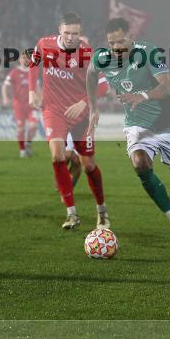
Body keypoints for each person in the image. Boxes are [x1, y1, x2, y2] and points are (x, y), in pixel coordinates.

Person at [86, 17, 170, 247]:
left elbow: (169, 87)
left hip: (167, 123)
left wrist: (143, 95)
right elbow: (90, 74)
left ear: (130, 37)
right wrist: (93, 107)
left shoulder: (147, 52)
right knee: (140, 164)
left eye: (120, 41)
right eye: (111, 43)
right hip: (137, 123)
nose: (116, 47)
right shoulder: (102, 58)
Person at [29, 12, 109, 230]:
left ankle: (102, 210)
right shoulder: (44, 44)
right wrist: (31, 90)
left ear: (80, 33)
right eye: (67, 33)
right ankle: (71, 213)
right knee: (57, 156)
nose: (71, 37)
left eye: (75, 33)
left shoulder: (87, 54)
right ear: (60, 31)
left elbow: (103, 86)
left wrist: (84, 102)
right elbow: (33, 62)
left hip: (81, 115)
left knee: (88, 166)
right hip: (53, 109)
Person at [2, 49, 39, 158]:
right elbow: (5, 86)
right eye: (23, 58)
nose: (25, 60)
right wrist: (5, 98)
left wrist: (41, 99)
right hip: (18, 105)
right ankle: (22, 150)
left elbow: (38, 87)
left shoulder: (33, 71)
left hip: (31, 104)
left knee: (33, 126)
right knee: (21, 128)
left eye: (27, 58)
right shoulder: (14, 72)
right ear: (19, 59)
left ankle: (27, 143)